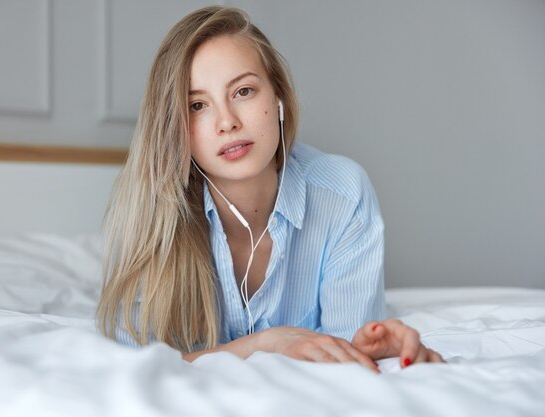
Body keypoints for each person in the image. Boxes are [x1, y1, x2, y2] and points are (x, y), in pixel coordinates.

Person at [96, 6, 443, 372]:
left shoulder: (342, 195)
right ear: (174, 127)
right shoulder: (153, 215)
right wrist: (263, 344)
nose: (227, 122)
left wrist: (371, 346)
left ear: (277, 97)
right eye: (197, 105)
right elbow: (131, 364)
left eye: (243, 91)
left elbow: (347, 351)